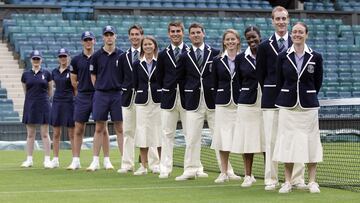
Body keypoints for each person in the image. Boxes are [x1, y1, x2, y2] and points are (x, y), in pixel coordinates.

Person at [176, 23, 235, 181]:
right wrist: (187, 99)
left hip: (212, 101)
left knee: (219, 137)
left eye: (198, 32)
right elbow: (181, 81)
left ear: (204, 34)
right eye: (193, 33)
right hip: (193, 102)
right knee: (192, 137)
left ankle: (227, 170)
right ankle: (190, 170)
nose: (196, 35)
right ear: (189, 36)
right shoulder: (184, 56)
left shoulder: (215, 53)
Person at [256, 6, 306, 190]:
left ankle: (297, 179)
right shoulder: (263, 46)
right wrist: (272, 89)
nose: (281, 22)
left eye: (284, 18)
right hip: (270, 100)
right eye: (277, 19)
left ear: (288, 19)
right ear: (272, 21)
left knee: (296, 139)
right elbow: (260, 75)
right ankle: (271, 179)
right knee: (271, 140)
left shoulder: (298, 43)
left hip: (294, 100)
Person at [273, 22, 323, 194]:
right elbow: (280, 81)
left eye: (300, 32)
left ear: (306, 35)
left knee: (311, 143)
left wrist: (306, 94)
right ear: (291, 34)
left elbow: (317, 82)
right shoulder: (282, 56)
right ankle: (287, 182)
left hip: (308, 107)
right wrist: (290, 94)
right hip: (287, 106)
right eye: (294, 32)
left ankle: (312, 182)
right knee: (288, 143)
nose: (297, 35)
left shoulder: (316, 57)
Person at [69, 31, 113, 170]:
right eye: (85, 39)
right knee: (79, 128)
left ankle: (106, 160)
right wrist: (81, 90)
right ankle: (76, 160)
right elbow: (73, 80)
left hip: (98, 94)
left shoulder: (100, 56)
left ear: (94, 41)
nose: (88, 42)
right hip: (83, 95)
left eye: (90, 39)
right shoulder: (76, 60)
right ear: (82, 41)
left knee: (103, 127)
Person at [87, 26, 124, 171]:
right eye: (106, 35)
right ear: (103, 37)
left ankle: (124, 161)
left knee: (120, 127)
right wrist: (100, 88)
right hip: (101, 94)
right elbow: (93, 75)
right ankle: (95, 160)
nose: (109, 37)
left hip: (117, 94)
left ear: (115, 36)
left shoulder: (121, 55)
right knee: (99, 127)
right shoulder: (96, 56)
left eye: (111, 34)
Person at [157, 21, 189, 178]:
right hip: (168, 99)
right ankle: (165, 168)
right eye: (172, 31)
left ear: (183, 32)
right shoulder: (162, 54)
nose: (175, 33)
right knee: (167, 134)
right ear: (168, 34)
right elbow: (160, 77)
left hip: (187, 98)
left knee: (190, 134)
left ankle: (194, 167)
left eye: (178, 31)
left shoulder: (190, 52)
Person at [232, 26, 264, 187]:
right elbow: (237, 81)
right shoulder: (240, 58)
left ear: (260, 36)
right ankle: (248, 175)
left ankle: (269, 175)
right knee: (247, 140)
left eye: (254, 37)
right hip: (247, 104)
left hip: (266, 102)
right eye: (249, 38)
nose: (252, 40)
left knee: (266, 140)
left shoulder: (268, 54)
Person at [210, 29, 242, 183]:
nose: (230, 42)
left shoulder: (244, 58)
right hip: (223, 103)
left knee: (243, 138)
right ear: (224, 42)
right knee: (222, 138)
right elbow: (214, 83)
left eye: (233, 39)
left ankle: (248, 174)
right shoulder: (217, 60)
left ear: (238, 41)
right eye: (227, 39)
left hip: (240, 103)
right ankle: (224, 172)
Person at [132, 36, 162, 175]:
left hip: (157, 101)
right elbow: (135, 83)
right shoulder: (137, 64)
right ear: (142, 47)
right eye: (145, 44)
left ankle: (160, 164)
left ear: (154, 46)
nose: (148, 46)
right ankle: (143, 166)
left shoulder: (160, 63)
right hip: (142, 102)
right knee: (142, 132)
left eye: (150, 44)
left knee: (158, 132)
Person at [117, 24, 143, 173]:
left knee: (146, 131)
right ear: (129, 37)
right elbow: (120, 78)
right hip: (127, 97)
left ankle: (151, 163)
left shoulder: (148, 54)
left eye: (137, 34)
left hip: (144, 98)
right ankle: (127, 164)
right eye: (132, 34)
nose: (134, 37)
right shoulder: (123, 57)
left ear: (141, 35)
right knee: (128, 131)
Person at [20, 50, 53, 168]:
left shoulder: (47, 74)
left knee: (45, 133)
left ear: (41, 60)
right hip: (30, 105)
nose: (36, 61)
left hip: (44, 104)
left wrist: (43, 99)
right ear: (31, 60)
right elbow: (25, 90)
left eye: (38, 59)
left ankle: (47, 160)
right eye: (34, 59)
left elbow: (50, 91)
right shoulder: (25, 75)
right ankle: (29, 159)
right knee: (30, 134)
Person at [49, 48, 75, 168]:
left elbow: (76, 88)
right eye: (61, 56)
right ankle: (55, 159)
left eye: (65, 56)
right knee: (56, 132)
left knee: (71, 133)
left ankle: (75, 159)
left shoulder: (72, 71)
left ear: (68, 57)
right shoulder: (54, 72)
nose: (63, 58)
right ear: (58, 58)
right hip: (57, 102)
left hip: (69, 102)